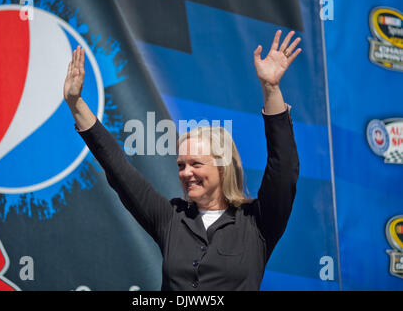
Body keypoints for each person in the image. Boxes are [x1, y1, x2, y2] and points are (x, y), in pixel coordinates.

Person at [63, 30, 300, 291]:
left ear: (223, 167)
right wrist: (76, 104)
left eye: (196, 164)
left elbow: (284, 168)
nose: (186, 173)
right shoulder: (171, 218)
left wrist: (270, 88)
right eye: (181, 165)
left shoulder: (257, 221)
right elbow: (119, 170)